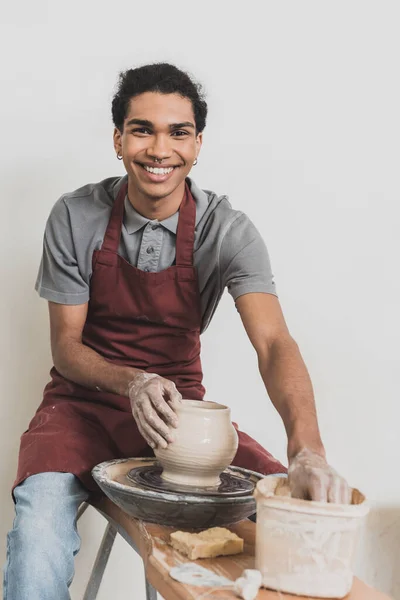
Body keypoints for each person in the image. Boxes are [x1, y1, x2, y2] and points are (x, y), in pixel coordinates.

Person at [4, 63, 349, 600]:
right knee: (37, 535)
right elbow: (67, 348)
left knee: (292, 509)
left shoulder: (227, 230)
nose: (159, 149)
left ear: (198, 144)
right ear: (118, 140)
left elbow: (274, 343)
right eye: (142, 129)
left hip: (178, 421)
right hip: (79, 409)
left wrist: (308, 448)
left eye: (177, 132)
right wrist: (132, 381)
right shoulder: (76, 215)